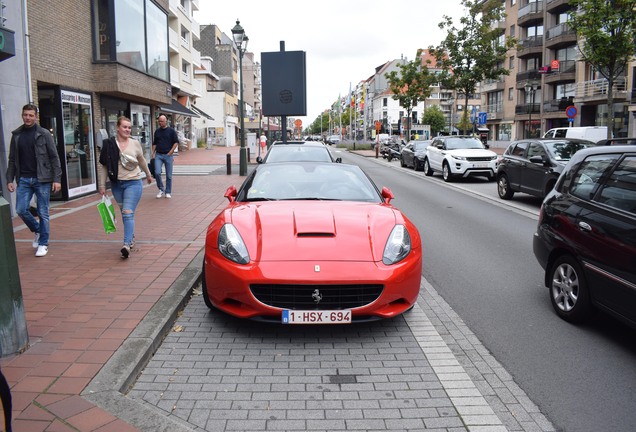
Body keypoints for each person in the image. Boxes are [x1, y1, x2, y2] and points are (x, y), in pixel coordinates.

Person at [5, 103, 62, 257]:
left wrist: (56, 179)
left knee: (43, 212)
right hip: (23, 179)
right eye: (25, 115)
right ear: (22, 115)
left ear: (36, 116)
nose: (28, 118)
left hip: (42, 179)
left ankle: (43, 243)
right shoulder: (16, 135)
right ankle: (38, 230)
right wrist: (9, 179)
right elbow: (12, 160)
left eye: (31, 115)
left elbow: (54, 157)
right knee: (21, 209)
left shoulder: (44, 134)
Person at [98, 116, 153, 259]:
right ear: (117, 127)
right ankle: (131, 236)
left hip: (133, 183)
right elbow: (104, 166)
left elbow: (141, 160)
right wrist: (102, 185)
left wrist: (148, 174)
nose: (127, 130)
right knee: (124, 213)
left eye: (129, 127)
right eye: (124, 127)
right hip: (117, 184)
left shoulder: (135, 144)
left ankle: (126, 245)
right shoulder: (109, 144)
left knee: (128, 212)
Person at [152, 115, 179, 199]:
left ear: (166, 121)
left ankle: (168, 191)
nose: (160, 123)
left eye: (162, 121)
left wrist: (171, 152)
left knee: (169, 175)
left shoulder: (171, 131)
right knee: (157, 172)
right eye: (159, 121)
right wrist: (152, 153)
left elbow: (176, 142)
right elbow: (155, 143)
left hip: (168, 155)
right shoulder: (157, 131)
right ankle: (161, 189)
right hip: (159, 154)